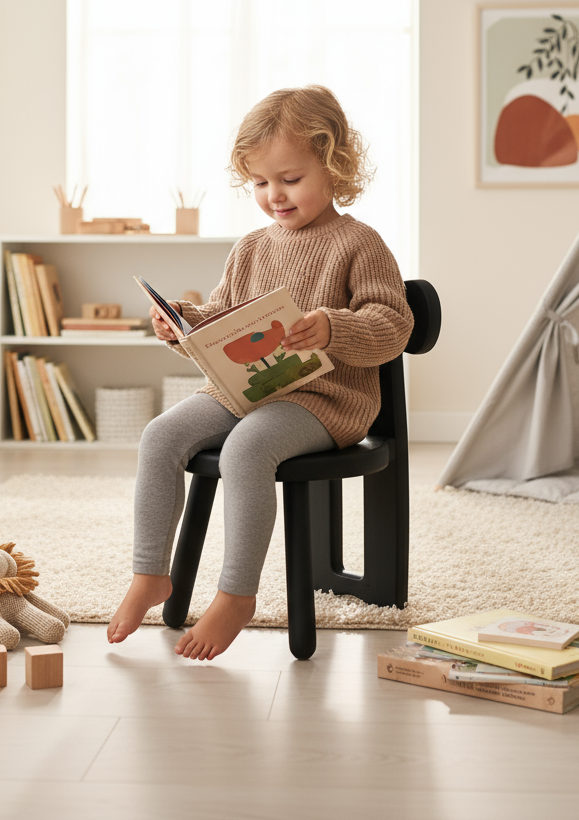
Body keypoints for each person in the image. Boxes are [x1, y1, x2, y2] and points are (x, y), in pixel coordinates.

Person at [107, 85, 413, 660]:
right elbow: (225, 319)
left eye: (290, 179)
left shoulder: (359, 243)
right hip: (243, 389)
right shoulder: (250, 247)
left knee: (246, 449)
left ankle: (236, 594)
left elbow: (392, 326)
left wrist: (332, 327)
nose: (274, 195)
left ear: (335, 165)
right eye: (260, 183)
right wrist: (184, 325)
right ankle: (150, 573)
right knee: (160, 434)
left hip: (323, 400)